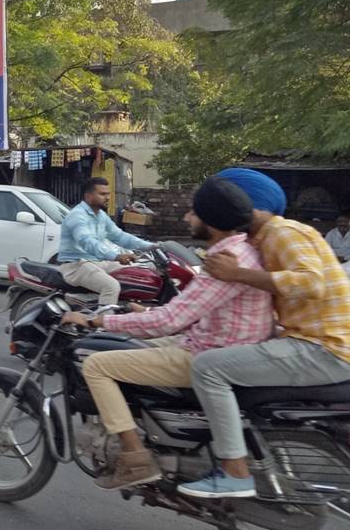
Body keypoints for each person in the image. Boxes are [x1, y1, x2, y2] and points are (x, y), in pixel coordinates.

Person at [61, 178, 273, 489]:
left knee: (96, 365)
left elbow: (170, 319)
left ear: (212, 221)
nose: (187, 218)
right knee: (131, 342)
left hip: (205, 352)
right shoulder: (241, 251)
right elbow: (184, 314)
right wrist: (145, 312)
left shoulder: (223, 262)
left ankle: (135, 458)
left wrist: (96, 322)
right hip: (214, 340)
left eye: (193, 213)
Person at [180, 168, 350, 499]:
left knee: (207, 367)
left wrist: (237, 274)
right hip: (316, 343)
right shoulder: (262, 239)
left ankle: (234, 473)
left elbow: (311, 282)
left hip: (325, 349)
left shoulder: (282, 233)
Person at [57, 177, 154, 307]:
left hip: (98, 262)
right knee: (111, 286)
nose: (107, 197)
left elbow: (120, 236)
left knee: (137, 274)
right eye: (102, 194)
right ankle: (103, 324)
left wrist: (152, 246)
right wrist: (116, 256)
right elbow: (87, 241)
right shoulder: (77, 215)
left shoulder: (101, 215)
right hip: (76, 265)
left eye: (108, 194)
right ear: (88, 196)